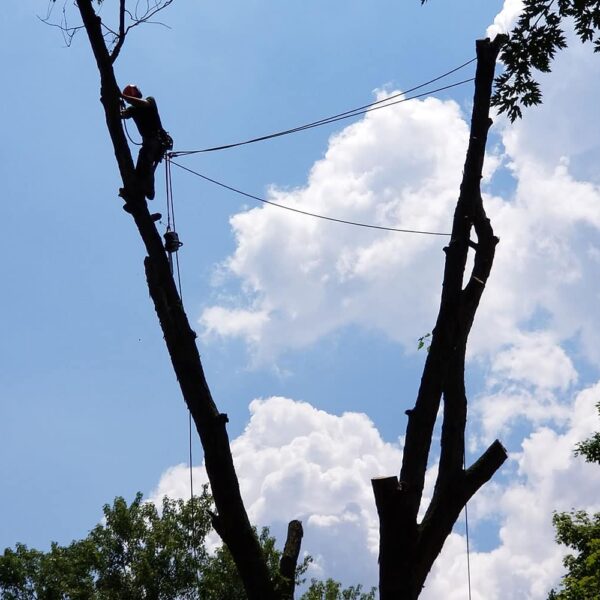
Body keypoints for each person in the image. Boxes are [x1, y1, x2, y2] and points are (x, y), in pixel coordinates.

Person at [120, 84, 172, 200]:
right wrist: (118, 106)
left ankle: (148, 190)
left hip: (157, 140)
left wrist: (122, 96)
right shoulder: (132, 109)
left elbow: (144, 104)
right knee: (141, 168)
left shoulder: (149, 100)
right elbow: (122, 115)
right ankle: (143, 192)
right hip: (149, 142)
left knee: (145, 160)